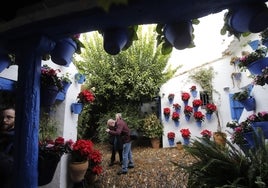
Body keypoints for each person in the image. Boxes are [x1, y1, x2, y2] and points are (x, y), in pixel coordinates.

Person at [0, 106, 15, 188]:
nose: (4, 120)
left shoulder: (16, 138)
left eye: (9, 117)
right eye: (2, 117)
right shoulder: (2, 135)